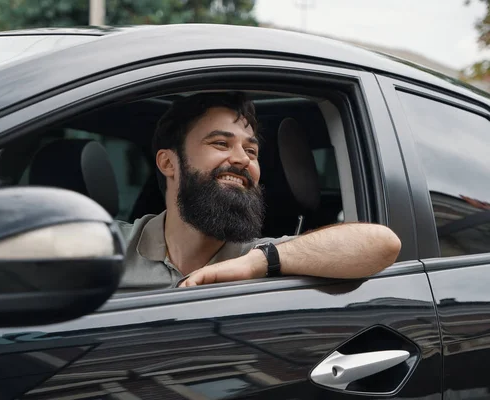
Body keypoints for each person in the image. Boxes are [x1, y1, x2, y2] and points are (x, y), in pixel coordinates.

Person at [117, 92, 402, 290]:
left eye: (251, 150)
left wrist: (260, 263)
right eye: (221, 143)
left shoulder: (260, 256)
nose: (243, 159)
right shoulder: (109, 246)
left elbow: (383, 243)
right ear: (169, 162)